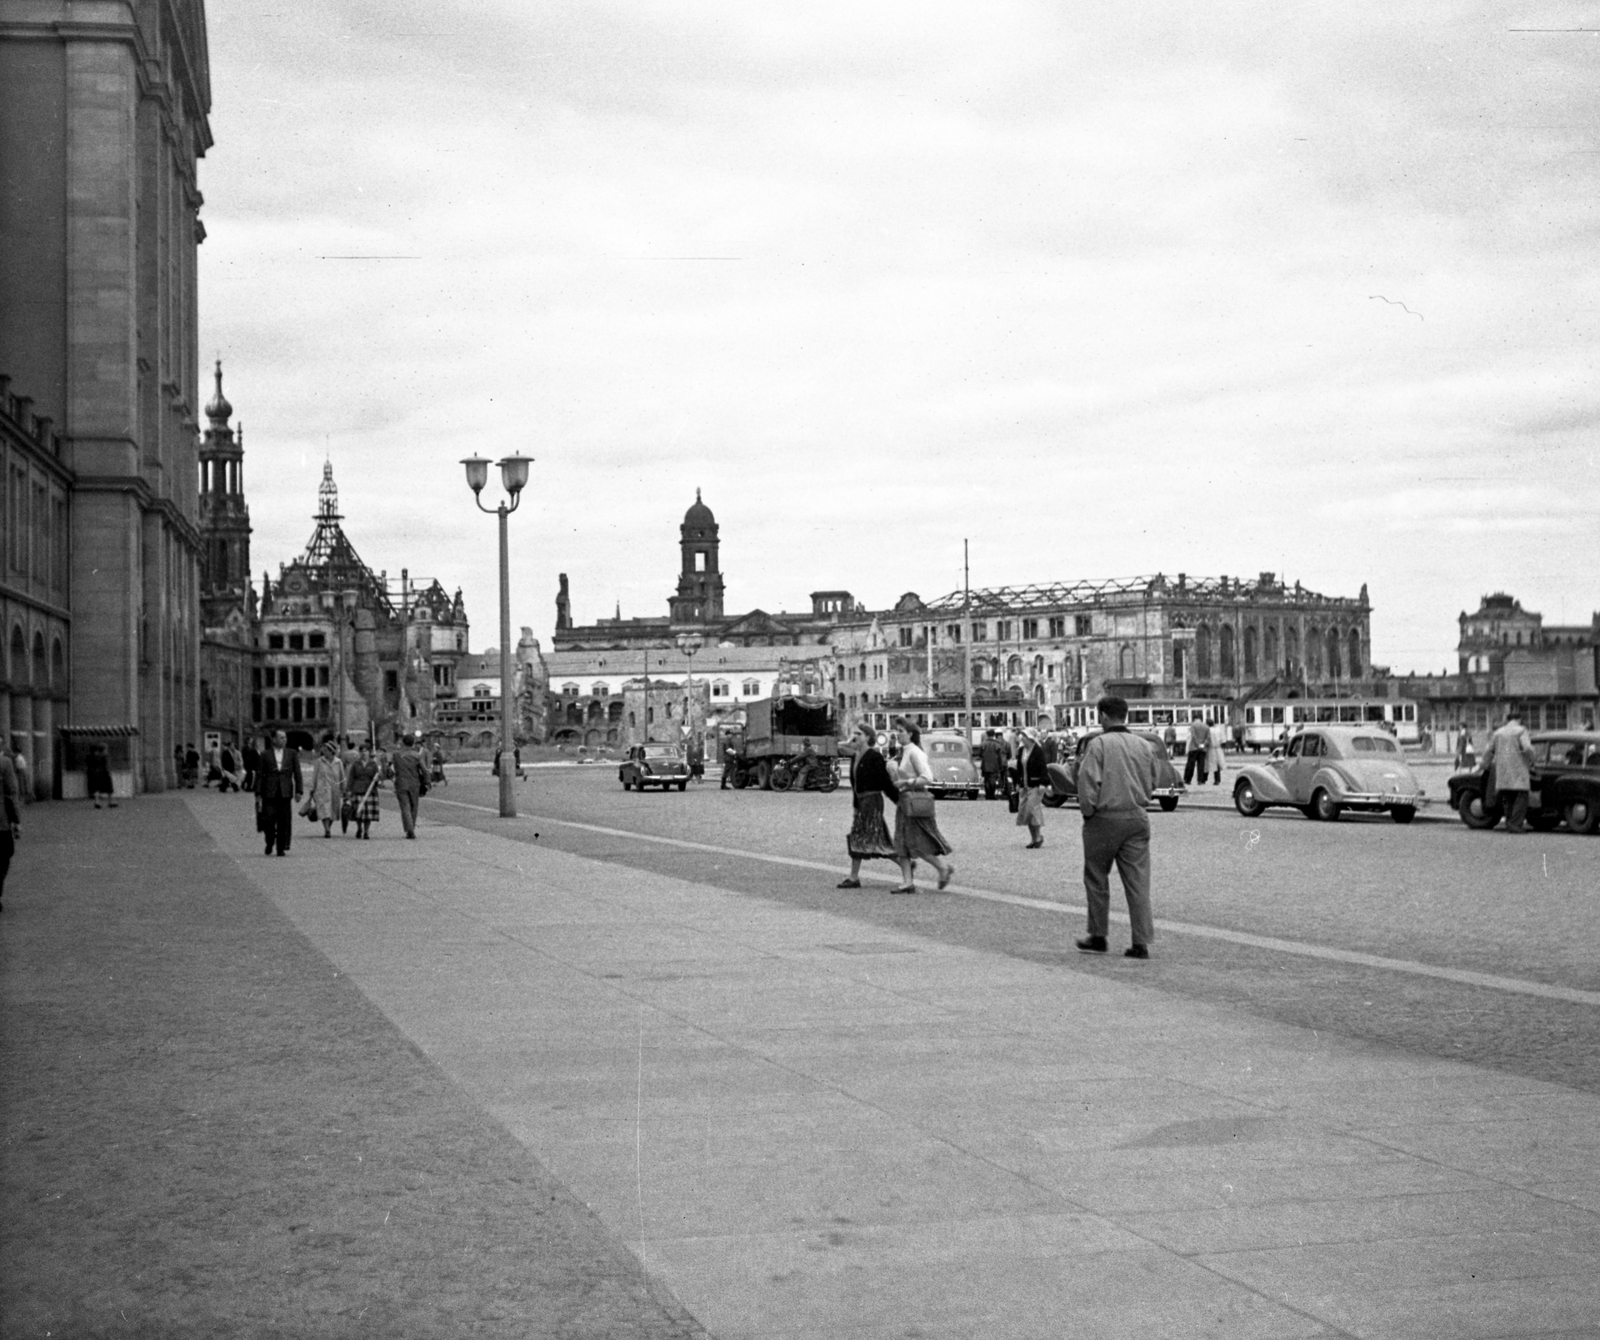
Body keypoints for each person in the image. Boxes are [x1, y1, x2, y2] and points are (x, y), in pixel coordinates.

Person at [1075, 695, 1160, 959]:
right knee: (1138, 882)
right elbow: (1154, 779)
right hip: (1137, 816)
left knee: (1097, 877)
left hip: (1105, 818)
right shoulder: (1143, 745)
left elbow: (1087, 783)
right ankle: (1141, 942)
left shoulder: (1098, 744)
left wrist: (1089, 813)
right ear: (1125, 715)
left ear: (1102, 716)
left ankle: (1098, 936)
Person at [888, 720, 954, 894]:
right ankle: (907, 882)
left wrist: (906, 782)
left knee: (918, 843)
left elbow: (928, 777)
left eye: (901, 731)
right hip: (905, 801)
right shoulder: (906, 752)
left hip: (915, 802)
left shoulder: (915, 753)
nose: (897, 734)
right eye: (897, 730)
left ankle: (942, 868)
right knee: (901, 841)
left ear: (910, 734)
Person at [838, 723, 898, 888]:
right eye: (854, 733)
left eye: (859, 733)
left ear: (868, 737)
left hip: (872, 801)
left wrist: (898, 800)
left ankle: (854, 877)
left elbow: (885, 782)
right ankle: (854, 877)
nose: (855, 736)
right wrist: (856, 805)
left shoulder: (874, 756)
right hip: (861, 801)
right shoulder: (855, 755)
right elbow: (855, 783)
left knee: (867, 837)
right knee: (867, 837)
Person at [1480, 708, 1534, 834]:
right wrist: (1533, 759)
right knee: (1521, 797)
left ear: (1507, 720)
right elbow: (1527, 747)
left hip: (1502, 769)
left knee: (1507, 797)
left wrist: (1484, 765)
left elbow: (1489, 750)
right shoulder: (1521, 730)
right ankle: (1516, 825)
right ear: (1519, 719)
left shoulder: (1498, 732)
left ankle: (1509, 823)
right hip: (1519, 769)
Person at [255, 729, 303, 856]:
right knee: (268, 821)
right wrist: (258, 793)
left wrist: (299, 790)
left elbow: (297, 773)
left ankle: (280, 847)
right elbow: (259, 775)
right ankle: (270, 841)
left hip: (285, 793)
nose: (284, 740)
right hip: (269, 793)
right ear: (274, 739)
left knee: (284, 821)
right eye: (281, 738)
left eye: (285, 738)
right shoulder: (265, 755)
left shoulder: (292, 754)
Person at [1012, 726, 1049, 848]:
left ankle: (1038, 837)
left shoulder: (1038, 750)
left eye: (1025, 736)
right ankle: (1034, 838)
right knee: (1026, 813)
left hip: (1035, 785)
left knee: (1033, 810)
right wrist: (1017, 783)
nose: (1022, 738)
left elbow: (1043, 767)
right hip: (1024, 785)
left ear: (1030, 738)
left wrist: (1043, 783)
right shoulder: (1022, 750)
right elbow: (1019, 767)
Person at [387, 733, 427, 839]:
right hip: (415, 784)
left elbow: (389, 769)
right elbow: (424, 770)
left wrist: (390, 776)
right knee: (414, 807)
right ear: (413, 743)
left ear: (403, 743)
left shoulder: (396, 755)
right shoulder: (417, 755)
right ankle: (411, 828)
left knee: (405, 807)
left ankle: (409, 829)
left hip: (401, 783)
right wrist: (427, 782)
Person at [306, 740, 345, 839]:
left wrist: (344, 789)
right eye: (324, 750)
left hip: (334, 790)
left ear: (332, 751)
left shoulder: (338, 762)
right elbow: (314, 775)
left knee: (333, 811)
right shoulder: (319, 761)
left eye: (327, 750)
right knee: (324, 811)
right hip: (322, 789)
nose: (324, 752)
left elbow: (342, 776)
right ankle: (327, 830)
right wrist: (312, 788)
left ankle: (328, 827)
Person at [346, 743, 382, 840]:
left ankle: (366, 832)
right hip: (358, 790)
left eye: (365, 751)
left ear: (369, 752)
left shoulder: (373, 764)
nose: (363, 753)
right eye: (361, 751)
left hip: (370, 791)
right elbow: (351, 778)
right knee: (359, 812)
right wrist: (348, 790)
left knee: (368, 814)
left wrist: (378, 779)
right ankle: (359, 828)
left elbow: (378, 778)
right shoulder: (356, 764)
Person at [0, 747, 18, 912]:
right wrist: (16, 820)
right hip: (1, 821)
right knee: (4, 856)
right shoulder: (4, 762)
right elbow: (11, 792)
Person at [86, 743, 117, 808]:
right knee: (109, 788)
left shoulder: (94, 756)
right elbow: (107, 765)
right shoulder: (106, 756)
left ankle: (97, 802)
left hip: (96, 774)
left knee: (97, 788)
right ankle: (110, 802)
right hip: (105, 773)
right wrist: (108, 772)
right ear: (104, 749)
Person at [979, 730, 1007, 801]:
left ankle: (987, 794)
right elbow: (1000, 757)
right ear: (994, 735)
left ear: (987, 735)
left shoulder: (983, 744)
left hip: (985, 765)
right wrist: (1000, 766)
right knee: (993, 780)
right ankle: (992, 795)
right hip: (994, 765)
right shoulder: (997, 744)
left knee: (986, 780)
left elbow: (980, 754)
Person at [1182, 717, 1210, 787]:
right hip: (1203, 749)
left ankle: (1187, 779)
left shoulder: (1193, 725)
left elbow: (1193, 737)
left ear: (1194, 719)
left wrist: (1198, 745)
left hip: (1194, 748)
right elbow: (1208, 738)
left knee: (1191, 764)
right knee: (1201, 765)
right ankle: (1200, 780)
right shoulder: (1206, 727)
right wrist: (1203, 744)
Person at [1206, 721, 1226, 786]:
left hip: (1210, 749)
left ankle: (1204, 779)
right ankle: (1217, 779)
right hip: (1218, 748)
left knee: (1208, 764)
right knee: (1217, 765)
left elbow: (1207, 740)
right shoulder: (1218, 730)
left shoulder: (1208, 731)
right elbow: (1223, 740)